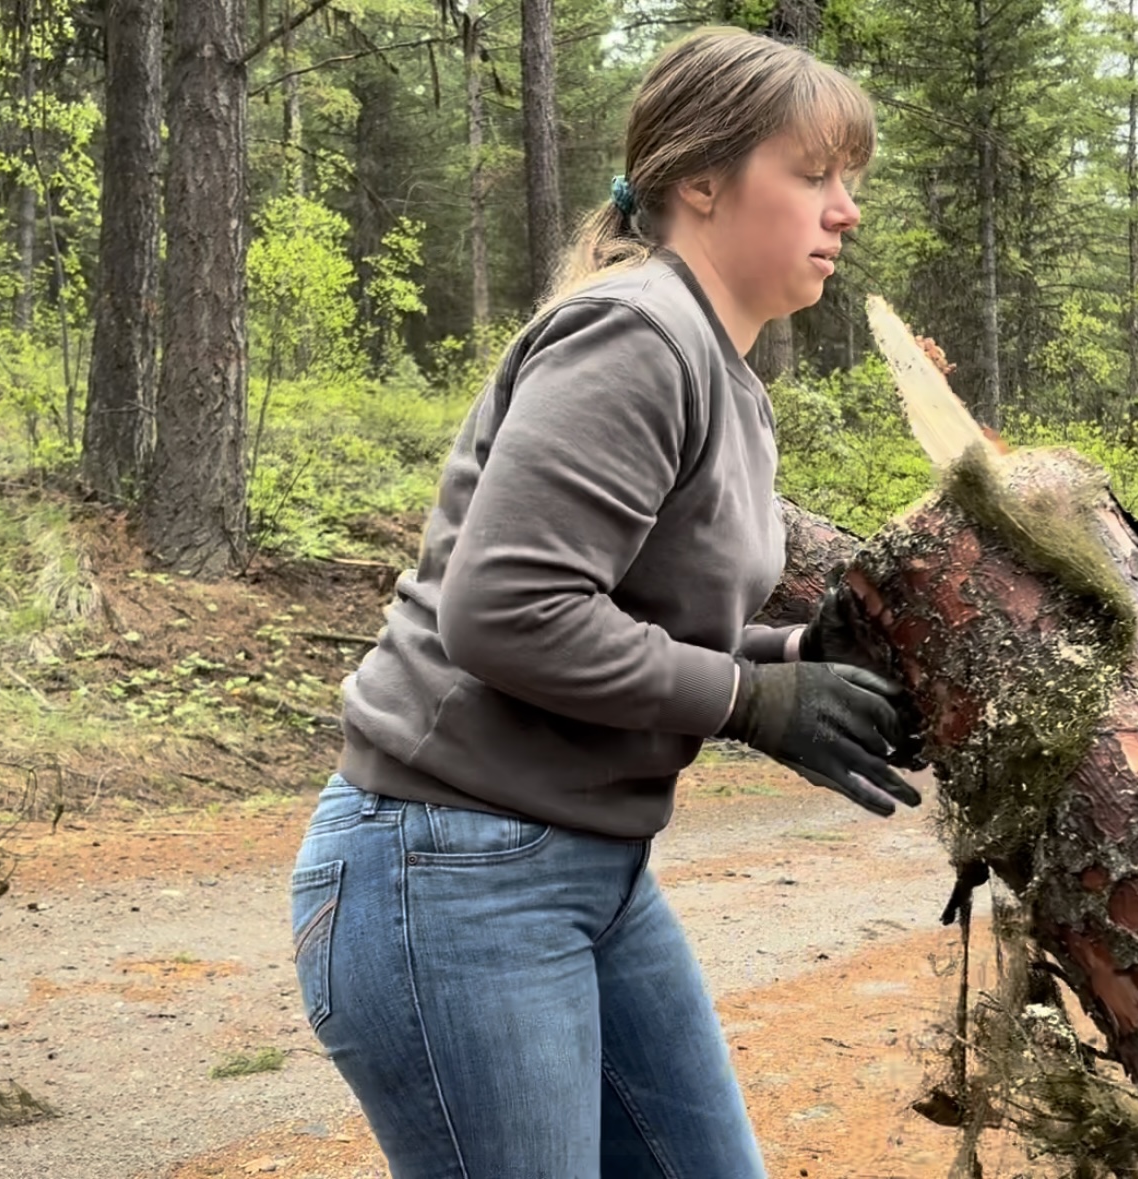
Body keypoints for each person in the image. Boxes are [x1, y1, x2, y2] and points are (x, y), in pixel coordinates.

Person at [287, 26, 920, 1178]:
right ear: (701, 180)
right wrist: (746, 699)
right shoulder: (636, 330)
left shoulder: (724, 375)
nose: (846, 211)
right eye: (814, 174)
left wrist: (788, 653)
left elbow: (626, 605)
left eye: (852, 182)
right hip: (449, 867)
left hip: (588, 870)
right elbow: (508, 612)